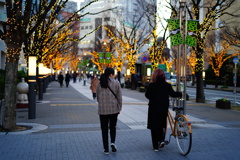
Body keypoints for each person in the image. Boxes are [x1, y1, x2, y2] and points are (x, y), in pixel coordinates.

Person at [145, 68, 182, 151]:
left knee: (154, 126)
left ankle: (155, 146)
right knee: (162, 124)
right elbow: (173, 94)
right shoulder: (167, 85)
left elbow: (147, 95)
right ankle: (161, 139)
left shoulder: (151, 85)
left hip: (153, 109)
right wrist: (180, 93)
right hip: (163, 108)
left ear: (154, 76)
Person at [96, 68, 122, 155]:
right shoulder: (116, 82)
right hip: (113, 109)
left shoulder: (100, 83)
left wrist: (102, 103)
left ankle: (106, 149)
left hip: (103, 110)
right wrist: (119, 108)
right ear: (111, 74)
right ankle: (113, 142)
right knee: (113, 127)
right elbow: (119, 97)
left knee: (104, 129)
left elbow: (98, 97)